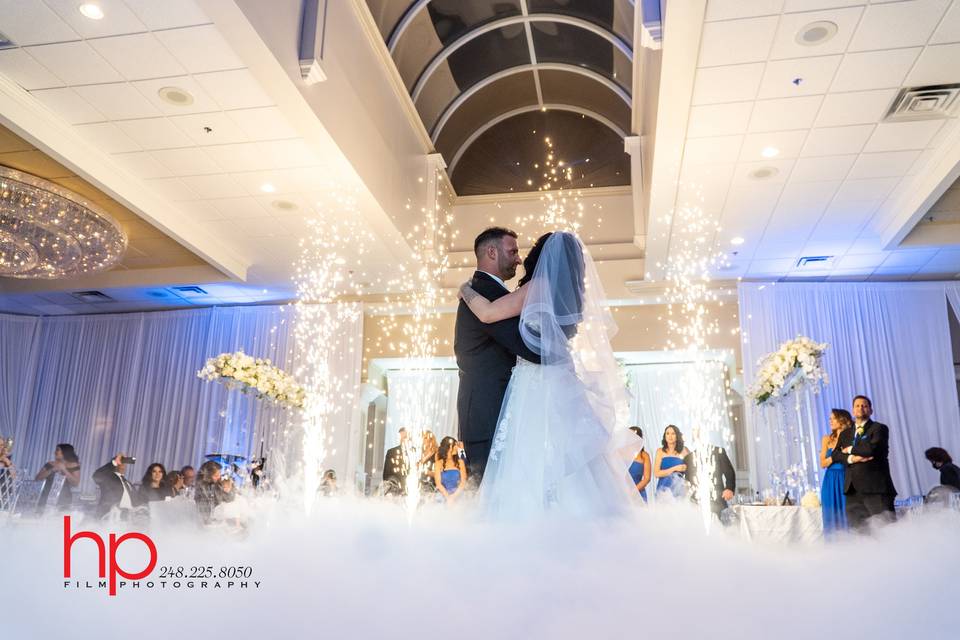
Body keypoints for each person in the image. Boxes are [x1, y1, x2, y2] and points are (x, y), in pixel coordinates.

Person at [458, 231, 635, 518]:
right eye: (513, 251)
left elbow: (489, 314)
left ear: (542, 258)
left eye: (522, 252)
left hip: (534, 382)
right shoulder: (571, 294)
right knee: (565, 458)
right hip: (561, 378)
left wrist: (465, 289)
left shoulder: (538, 285)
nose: (520, 257)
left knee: (529, 457)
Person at [455, 227, 542, 483]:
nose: (518, 258)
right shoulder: (487, 293)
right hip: (488, 416)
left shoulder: (480, 291)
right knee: (489, 500)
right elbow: (527, 347)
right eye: (513, 251)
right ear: (492, 252)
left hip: (491, 414)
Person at [831, 395, 897, 531]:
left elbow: (871, 449)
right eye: (857, 406)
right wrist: (851, 458)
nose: (861, 408)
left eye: (864, 406)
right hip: (852, 491)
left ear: (871, 411)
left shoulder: (879, 428)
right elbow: (835, 454)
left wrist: (849, 449)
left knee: (885, 531)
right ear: (853, 411)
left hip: (876, 490)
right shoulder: (845, 434)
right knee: (859, 533)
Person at [683, 439, 736, 518]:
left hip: (717, 499)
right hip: (696, 501)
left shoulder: (719, 451)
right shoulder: (688, 458)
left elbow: (729, 472)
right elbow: (687, 481)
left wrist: (729, 488)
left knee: (720, 527)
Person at [820, 409, 853, 535]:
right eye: (830, 418)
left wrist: (833, 458)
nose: (830, 421)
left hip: (846, 478)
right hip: (830, 480)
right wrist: (836, 456)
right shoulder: (826, 439)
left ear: (843, 420)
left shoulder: (851, 437)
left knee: (847, 516)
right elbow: (822, 464)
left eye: (833, 418)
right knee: (830, 517)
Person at [92, 453, 140, 518]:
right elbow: (96, 476)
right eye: (121, 462)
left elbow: (136, 502)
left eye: (124, 462)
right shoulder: (108, 478)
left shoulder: (129, 484)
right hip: (109, 517)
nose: (122, 465)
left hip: (127, 519)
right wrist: (114, 463)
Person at [35, 443, 81, 511]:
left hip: (65, 498)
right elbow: (37, 479)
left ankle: (66, 521)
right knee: (43, 518)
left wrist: (64, 470)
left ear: (65, 452)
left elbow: (75, 483)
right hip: (46, 496)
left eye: (57, 450)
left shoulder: (74, 465)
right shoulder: (50, 464)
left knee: (66, 520)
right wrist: (52, 470)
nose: (55, 452)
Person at [195, 460, 235, 524]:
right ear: (208, 476)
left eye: (219, 474)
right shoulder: (202, 488)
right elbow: (204, 512)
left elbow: (229, 498)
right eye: (216, 475)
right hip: (205, 523)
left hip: (217, 519)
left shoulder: (216, 484)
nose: (219, 477)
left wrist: (230, 486)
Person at [654, 425, 689, 497]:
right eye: (667, 433)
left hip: (679, 489)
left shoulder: (684, 450)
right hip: (663, 489)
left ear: (677, 436)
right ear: (665, 436)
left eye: (673, 433)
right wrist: (675, 468)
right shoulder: (660, 451)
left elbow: (691, 470)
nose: (670, 436)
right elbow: (656, 473)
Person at [434, 436, 467, 503]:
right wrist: (448, 497)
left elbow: (463, 482)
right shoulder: (438, 463)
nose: (457, 448)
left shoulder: (460, 462)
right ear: (448, 447)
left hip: (458, 494)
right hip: (443, 494)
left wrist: (453, 497)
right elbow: (438, 484)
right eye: (455, 445)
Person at [382, 427, 410, 494]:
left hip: (413, 490)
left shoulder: (417, 452)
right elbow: (386, 474)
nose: (403, 440)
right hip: (396, 490)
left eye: (405, 437)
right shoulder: (391, 452)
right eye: (401, 437)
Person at [627, 427, 651, 502]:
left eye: (634, 436)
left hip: (639, 492)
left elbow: (647, 478)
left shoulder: (644, 455)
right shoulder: (620, 452)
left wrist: (633, 492)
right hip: (622, 491)